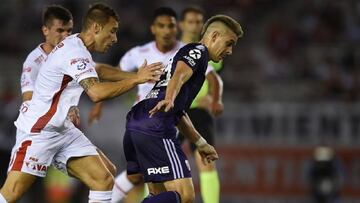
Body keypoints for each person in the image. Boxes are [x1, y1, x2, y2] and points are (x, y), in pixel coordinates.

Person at [0, 3, 162, 203]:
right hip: (39, 131)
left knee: (104, 177)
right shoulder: (73, 52)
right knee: (11, 194)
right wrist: (136, 80)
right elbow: (95, 92)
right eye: (112, 32)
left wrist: (138, 75)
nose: (115, 38)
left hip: (62, 130)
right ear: (96, 28)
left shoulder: (78, 46)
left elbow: (100, 70)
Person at [123, 15, 243, 203]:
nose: (230, 51)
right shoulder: (198, 51)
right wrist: (170, 98)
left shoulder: (196, 62)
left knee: (159, 195)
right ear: (214, 36)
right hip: (157, 125)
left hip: (139, 121)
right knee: (185, 196)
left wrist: (201, 143)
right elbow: (179, 74)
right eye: (229, 43)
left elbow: (179, 114)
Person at [179, 7, 224, 203]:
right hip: (174, 109)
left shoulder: (208, 49)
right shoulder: (173, 48)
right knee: (161, 163)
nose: (196, 26)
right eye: (191, 22)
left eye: (199, 22)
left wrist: (214, 99)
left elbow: (215, 79)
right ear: (181, 24)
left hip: (197, 111)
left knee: (206, 161)